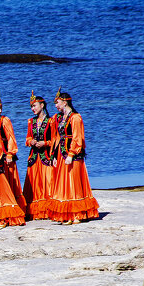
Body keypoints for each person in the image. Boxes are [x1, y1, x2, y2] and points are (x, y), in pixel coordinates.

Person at [48, 89, 99, 224]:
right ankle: (68, 213)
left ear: (65, 102)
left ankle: (77, 214)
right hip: (61, 153)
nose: (56, 106)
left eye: (57, 103)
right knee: (64, 183)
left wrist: (71, 153)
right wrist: (53, 154)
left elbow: (77, 138)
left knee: (73, 182)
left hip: (72, 154)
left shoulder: (75, 117)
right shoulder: (59, 118)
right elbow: (57, 137)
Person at [23, 92, 56, 220]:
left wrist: (45, 143)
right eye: (31, 107)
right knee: (34, 184)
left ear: (42, 105)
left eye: (34, 106)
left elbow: (55, 139)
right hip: (34, 157)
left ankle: (49, 210)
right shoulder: (31, 121)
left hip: (45, 156)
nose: (33, 109)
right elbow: (27, 138)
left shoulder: (51, 121)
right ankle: (34, 211)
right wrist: (30, 141)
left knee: (47, 182)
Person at [0, 95, 23, 200]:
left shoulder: (4, 120)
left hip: (5, 154)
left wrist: (10, 154)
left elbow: (11, 138)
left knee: (8, 179)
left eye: (0, 108)